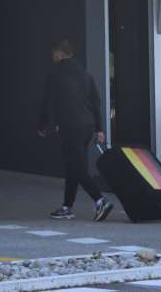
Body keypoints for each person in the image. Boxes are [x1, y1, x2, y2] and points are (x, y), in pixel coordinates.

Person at [37, 39, 114, 221]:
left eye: (53, 53)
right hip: (87, 127)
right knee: (72, 166)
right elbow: (96, 102)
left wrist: (42, 125)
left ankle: (100, 200)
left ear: (59, 53)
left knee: (78, 169)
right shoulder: (85, 74)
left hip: (70, 127)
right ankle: (67, 207)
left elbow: (48, 102)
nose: (52, 57)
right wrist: (99, 129)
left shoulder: (55, 73)